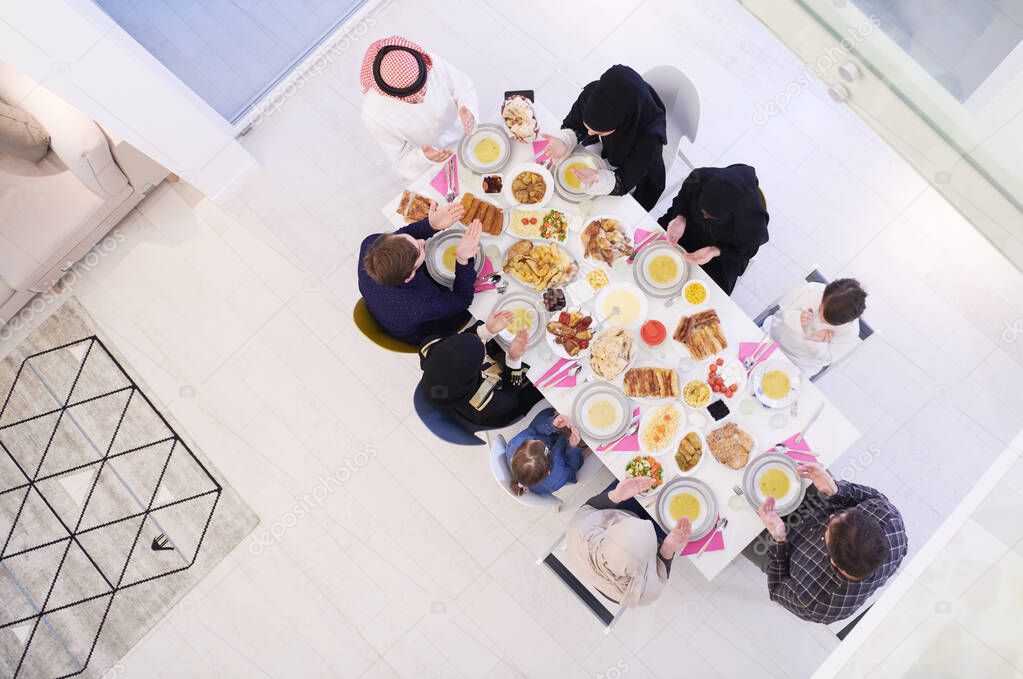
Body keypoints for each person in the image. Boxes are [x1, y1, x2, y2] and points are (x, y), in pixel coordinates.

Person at [756, 462, 907, 624]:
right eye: (842, 515)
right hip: (822, 501)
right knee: (788, 462)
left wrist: (778, 540)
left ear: (833, 560)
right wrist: (836, 491)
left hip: (782, 545)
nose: (831, 517)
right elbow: (871, 497)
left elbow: (776, 587)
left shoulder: (814, 604)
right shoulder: (887, 518)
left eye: (830, 528)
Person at [542, 65, 667, 211]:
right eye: (587, 127)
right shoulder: (595, 95)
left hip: (641, 175)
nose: (588, 133)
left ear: (623, 123)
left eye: (599, 132)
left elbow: (625, 180)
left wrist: (598, 179)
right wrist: (565, 140)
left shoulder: (650, 140)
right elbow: (574, 123)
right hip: (610, 151)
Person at [358, 201, 478, 345]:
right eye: (420, 250)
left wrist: (430, 224)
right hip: (428, 331)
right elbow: (463, 299)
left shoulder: (370, 245)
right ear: (409, 276)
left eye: (411, 239)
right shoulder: (420, 305)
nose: (422, 241)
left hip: (388, 309)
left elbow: (405, 235)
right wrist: (462, 259)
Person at [360, 35, 478, 179]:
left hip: (469, 136)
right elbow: (400, 160)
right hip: (438, 166)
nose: (422, 98)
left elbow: (464, 88)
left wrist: (467, 108)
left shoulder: (431, 62)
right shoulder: (374, 114)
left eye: (424, 90)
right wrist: (424, 156)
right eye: (413, 100)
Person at [567, 476, 692, 606]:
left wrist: (616, 495)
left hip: (615, 514)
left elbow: (591, 507)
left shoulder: (579, 528)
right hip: (623, 585)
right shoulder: (645, 593)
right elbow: (661, 573)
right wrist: (668, 547)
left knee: (629, 481)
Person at [418, 311, 544, 428]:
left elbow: (462, 342)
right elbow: (510, 395)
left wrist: (486, 331)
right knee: (537, 383)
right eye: (483, 351)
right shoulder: (480, 399)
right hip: (498, 407)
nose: (483, 342)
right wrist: (513, 360)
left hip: (445, 390)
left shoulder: (430, 347)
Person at [658, 164, 769, 294]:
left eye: (711, 216)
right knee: (651, 246)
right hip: (685, 226)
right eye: (702, 210)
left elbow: (744, 253)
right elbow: (682, 198)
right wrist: (680, 217)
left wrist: (715, 251)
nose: (704, 216)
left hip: (720, 254)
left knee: (704, 293)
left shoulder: (754, 222)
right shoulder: (699, 176)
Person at [763, 278, 867, 375]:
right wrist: (797, 317)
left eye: (828, 322)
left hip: (799, 364)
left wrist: (817, 343)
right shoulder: (811, 291)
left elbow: (828, 358)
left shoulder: (850, 331)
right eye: (821, 310)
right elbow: (785, 310)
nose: (821, 319)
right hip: (772, 338)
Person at [504, 408, 590, 497]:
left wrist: (551, 425)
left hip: (549, 429)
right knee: (586, 440)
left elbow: (534, 430)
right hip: (565, 448)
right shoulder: (557, 477)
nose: (539, 440)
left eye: (534, 440)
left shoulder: (515, 444)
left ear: (512, 458)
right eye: (545, 447)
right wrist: (573, 447)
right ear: (549, 471)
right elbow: (573, 466)